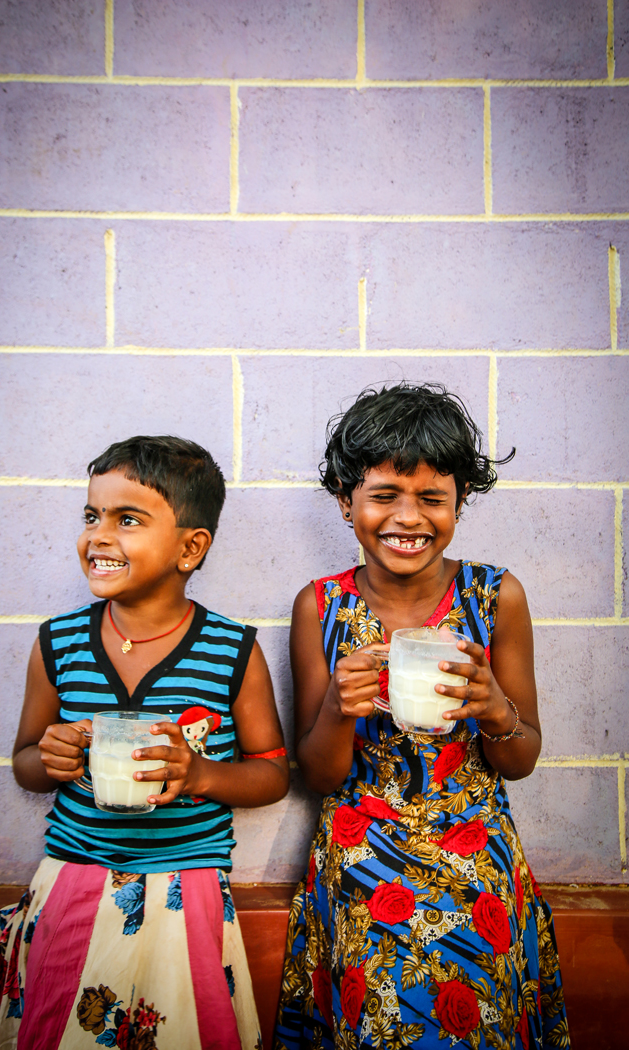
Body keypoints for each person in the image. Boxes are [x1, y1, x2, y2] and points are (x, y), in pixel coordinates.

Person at [0, 435, 289, 1050]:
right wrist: (50, 757)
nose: (99, 537)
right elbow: (26, 762)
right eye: (92, 516)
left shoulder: (232, 651)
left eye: (127, 520)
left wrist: (200, 775)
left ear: (190, 548)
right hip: (73, 879)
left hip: (185, 885)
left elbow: (272, 774)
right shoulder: (58, 643)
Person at [274, 384, 568, 1050]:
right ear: (345, 501)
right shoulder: (320, 606)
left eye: (433, 498)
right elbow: (318, 776)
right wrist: (337, 709)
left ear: (460, 502)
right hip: (359, 852)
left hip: (476, 849)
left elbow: (521, 759)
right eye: (384, 496)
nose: (408, 518)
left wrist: (493, 707)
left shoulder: (495, 597)